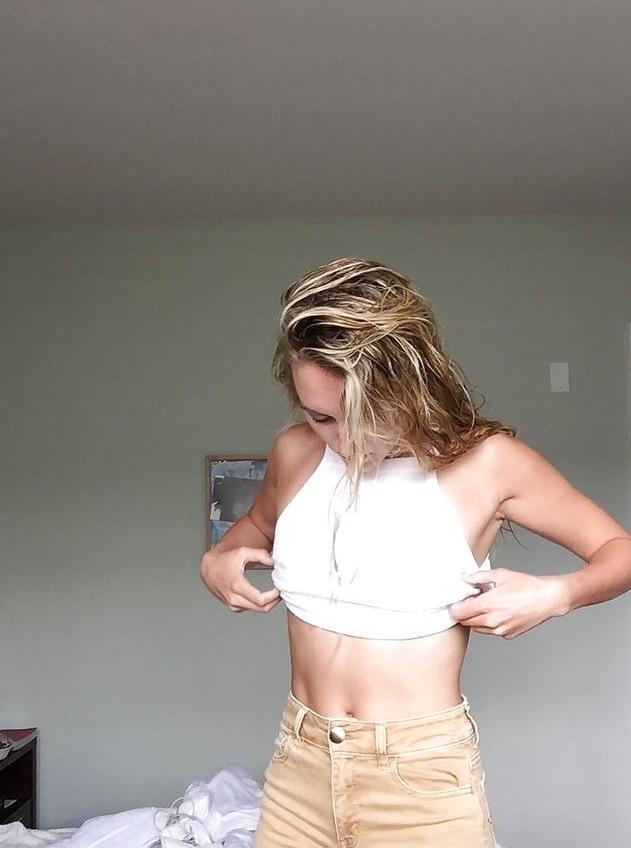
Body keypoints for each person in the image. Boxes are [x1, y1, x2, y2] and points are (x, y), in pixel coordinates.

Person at [200, 257, 631, 848]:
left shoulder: (489, 463)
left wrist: (556, 594)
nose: (343, 441)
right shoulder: (296, 452)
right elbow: (254, 527)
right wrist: (218, 559)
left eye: (362, 416)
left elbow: (619, 550)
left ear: (410, 385)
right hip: (299, 765)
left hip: (419, 777)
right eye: (321, 417)